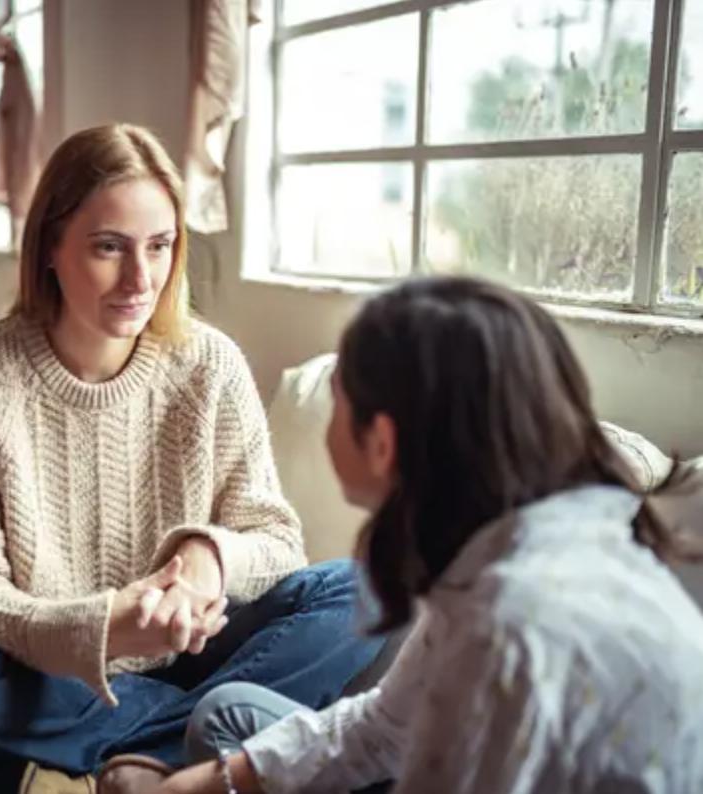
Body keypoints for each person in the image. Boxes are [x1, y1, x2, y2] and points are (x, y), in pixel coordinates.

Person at [0, 123, 385, 794]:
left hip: (200, 652)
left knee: (367, 587)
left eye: (159, 246)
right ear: (50, 250)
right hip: (55, 672)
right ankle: (194, 752)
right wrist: (107, 626)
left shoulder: (210, 364)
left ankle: (124, 761)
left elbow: (276, 540)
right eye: (108, 248)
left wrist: (208, 562)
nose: (140, 278)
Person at [150, 275, 703, 794]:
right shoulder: (519, 544)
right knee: (229, 717)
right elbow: (386, 727)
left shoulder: (507, 627)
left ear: (383, 440)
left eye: (339, 394)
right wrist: (202, 783)